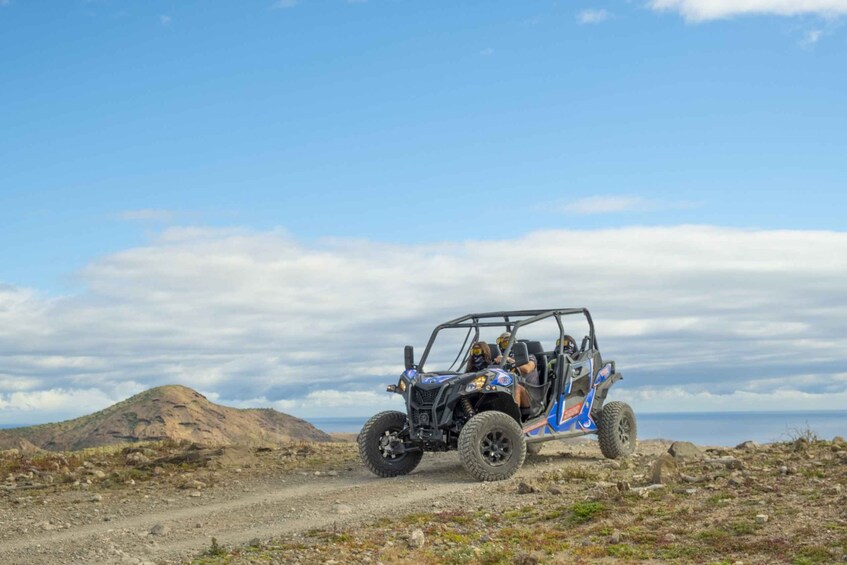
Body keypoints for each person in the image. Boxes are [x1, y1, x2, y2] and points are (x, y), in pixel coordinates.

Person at [494, 332, 538, 411]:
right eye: (504, 344)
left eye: (508, 343)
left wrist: (507, 359)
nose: (507, 346)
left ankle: (513, 418)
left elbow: (527, 368)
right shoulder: (499, 361)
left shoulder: (530, 357)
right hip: (507, 392)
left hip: (531, 395)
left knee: (516, 388)